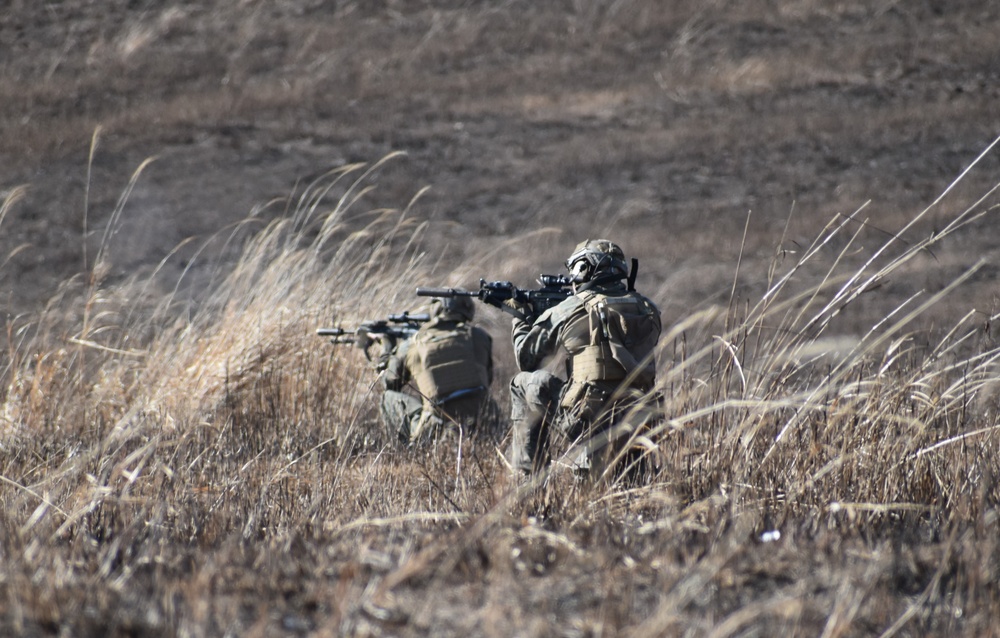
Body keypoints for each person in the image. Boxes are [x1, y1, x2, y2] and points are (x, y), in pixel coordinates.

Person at [507, 239, 662, 479]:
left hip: (588, 419)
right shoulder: (647, 308)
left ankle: (528, 476)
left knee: (523, 382)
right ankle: (630, 471)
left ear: (584, 268)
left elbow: (527, 358)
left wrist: (520, 317)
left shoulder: (571, 308)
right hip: (639, 418)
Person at [376, 295, 495, 444]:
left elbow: (390, 381)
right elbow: (487, 380)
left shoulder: (413, 343)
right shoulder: (479, 336)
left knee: (388, 397)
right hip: (485, 421)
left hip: (436, 430)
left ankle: (410, 451)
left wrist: (387, 350)